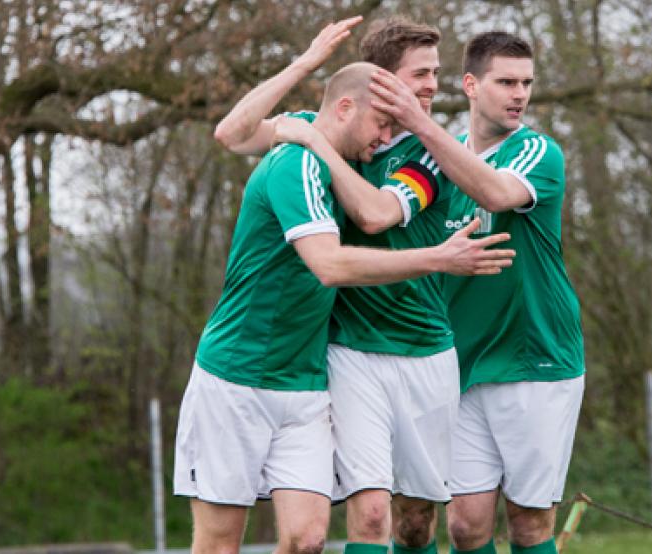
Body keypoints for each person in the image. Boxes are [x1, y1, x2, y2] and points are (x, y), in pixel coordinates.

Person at [173, 60, 515, 554]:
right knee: (219, 545)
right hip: (235, 379)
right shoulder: (294, 162)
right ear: (346, 107)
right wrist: (439, 259)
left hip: (307, 385)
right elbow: (329, 264)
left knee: (308, 539)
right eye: (380, 125)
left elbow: (376, 208)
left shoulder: (340, 162)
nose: (383, 139)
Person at [368, 32, 586, 554]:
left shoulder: (537, 150)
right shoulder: (431, 157)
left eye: (527, 83)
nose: (519, 94)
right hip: (460, 365)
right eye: (506, 82)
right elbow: (381, 211)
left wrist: (421, 123)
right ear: (470, 84)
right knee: (465, 527)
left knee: (529, 523)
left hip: (534, 360)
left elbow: (494, 191)